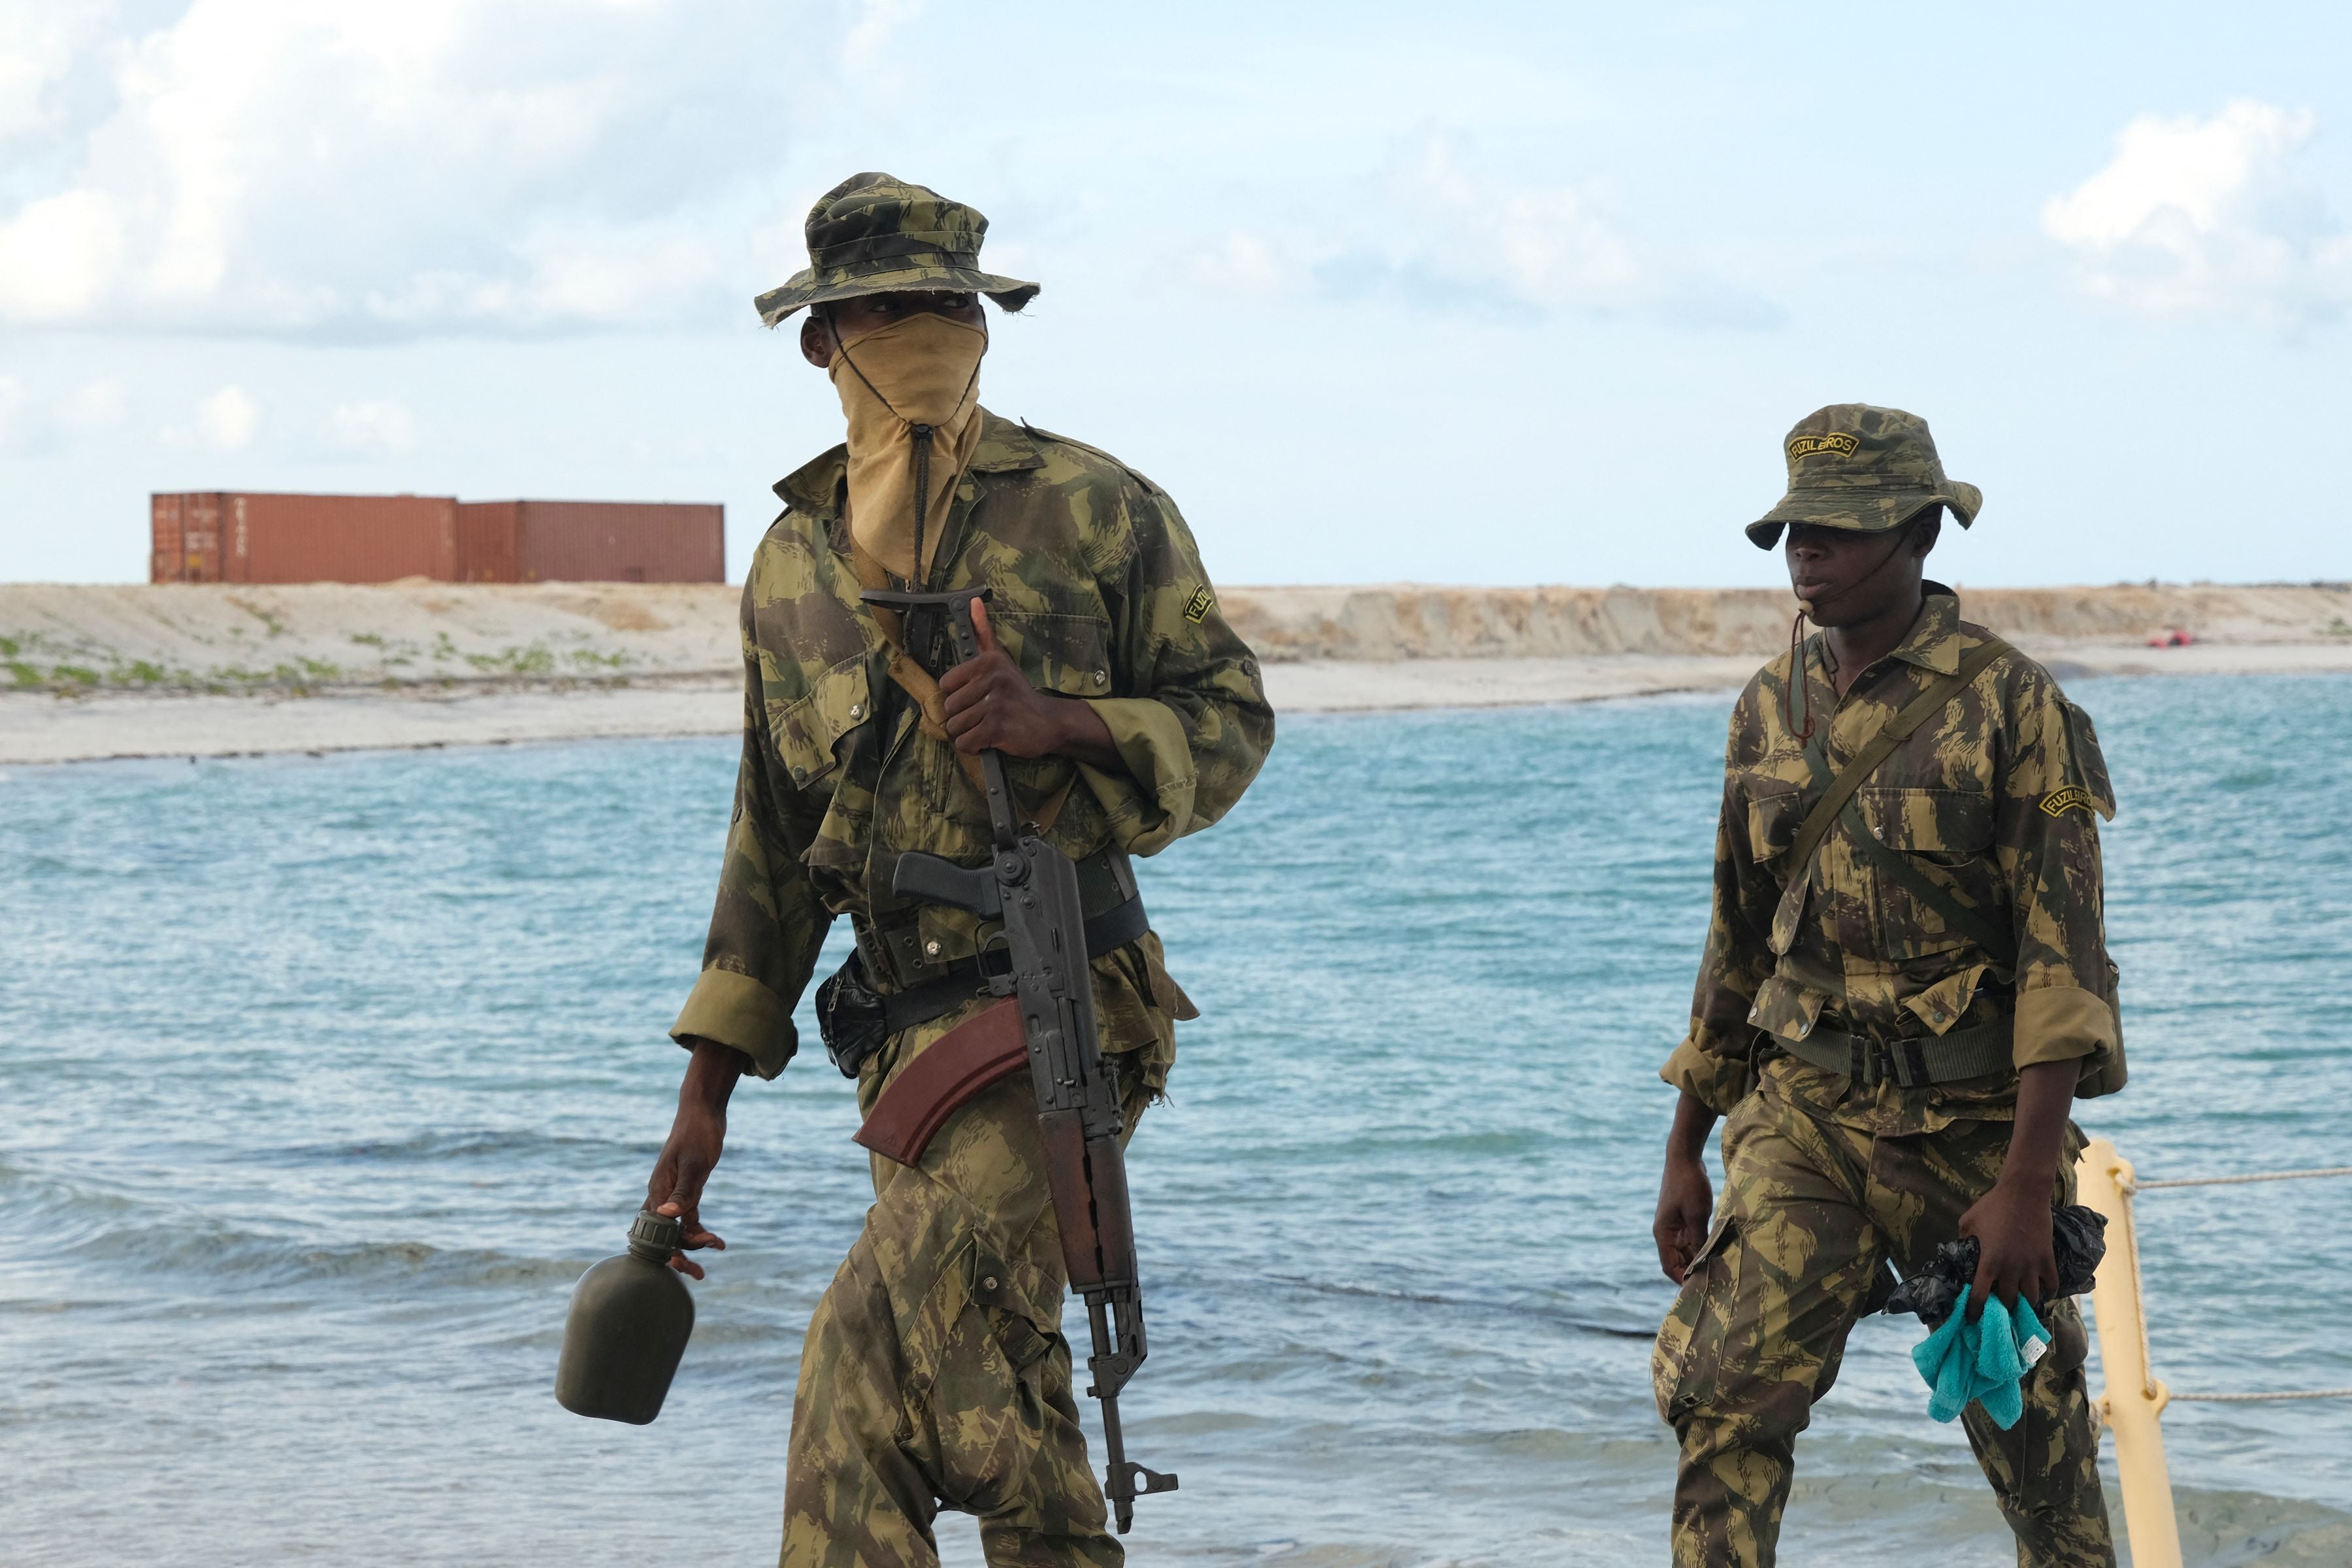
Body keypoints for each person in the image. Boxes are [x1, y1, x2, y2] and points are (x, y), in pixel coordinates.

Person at [644, 172, 1274, 1567]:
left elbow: (1233, 724)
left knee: (855, 1384)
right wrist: (704, 1101)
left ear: (985, 324)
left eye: (946, 306)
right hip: (901, 1041)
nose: (920, 335)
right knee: (988, 1385)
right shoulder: (794, 565)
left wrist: (1068, 724)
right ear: (821, 340)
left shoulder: (1098, 511)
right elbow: (772, 843)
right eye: (882, 311)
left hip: (1066, 1007)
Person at [1648, 404, 2124, 1567]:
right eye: (1796, 529)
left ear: (1919, 532)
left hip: (1970, 1134)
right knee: (1723, 1399)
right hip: (1803, 1117)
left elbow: (2064, 965)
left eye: (1840, 530)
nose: (1807, 552)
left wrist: (2024, 1184)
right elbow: (1737, 940)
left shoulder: (2013, 707)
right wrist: (1685, 1146)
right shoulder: (1770, 706)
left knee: (2035, 1452)